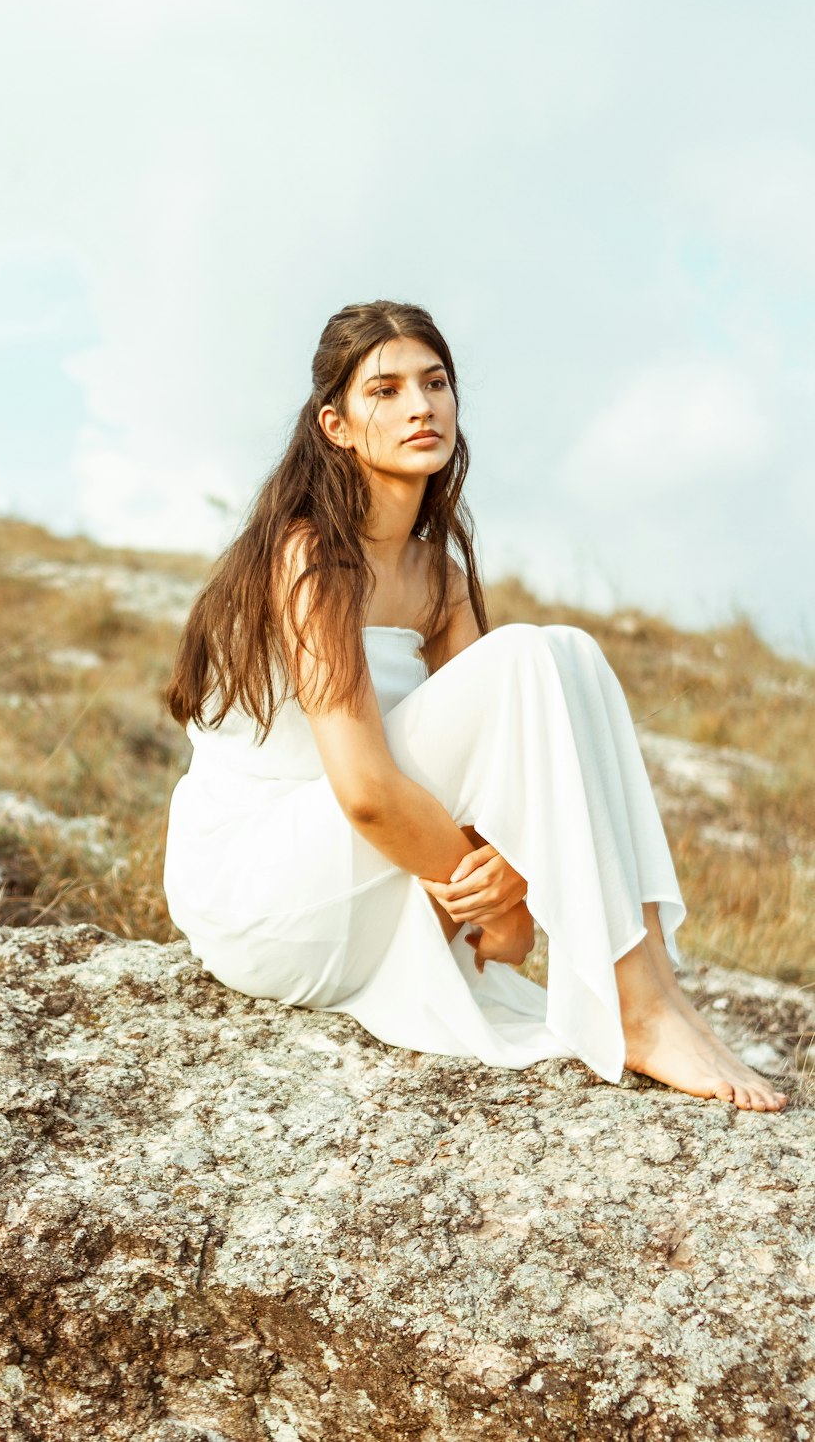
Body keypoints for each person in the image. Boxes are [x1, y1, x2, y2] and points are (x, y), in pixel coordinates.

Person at [163, 299, 788, 1113]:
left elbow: (508, 769)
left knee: (570, 655)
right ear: (336, 425)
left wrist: (512, 881)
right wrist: (506, 897)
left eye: (436, 382)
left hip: (365, 882)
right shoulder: (308, 554)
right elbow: (364, 790)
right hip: (263, 896)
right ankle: (636, 1007)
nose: (420, 405)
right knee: (533, 653)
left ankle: (652, 992)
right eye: (384, 391)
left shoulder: (441, 578)